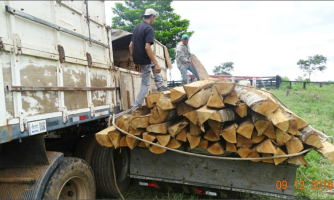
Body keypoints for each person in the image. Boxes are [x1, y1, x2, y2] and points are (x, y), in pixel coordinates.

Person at [129, 8, 168, 112]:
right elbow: (147, 47)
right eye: (154, 18)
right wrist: (156, 64)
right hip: (144, 58)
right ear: (152, 17)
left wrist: (135, 61)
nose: (154, 20)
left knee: (153, 62)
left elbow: (130, 46)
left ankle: (160, 85)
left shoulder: (137, 27)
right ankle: (135, 106)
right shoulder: (149, 29)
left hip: (138, 58)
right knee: (145, 84)